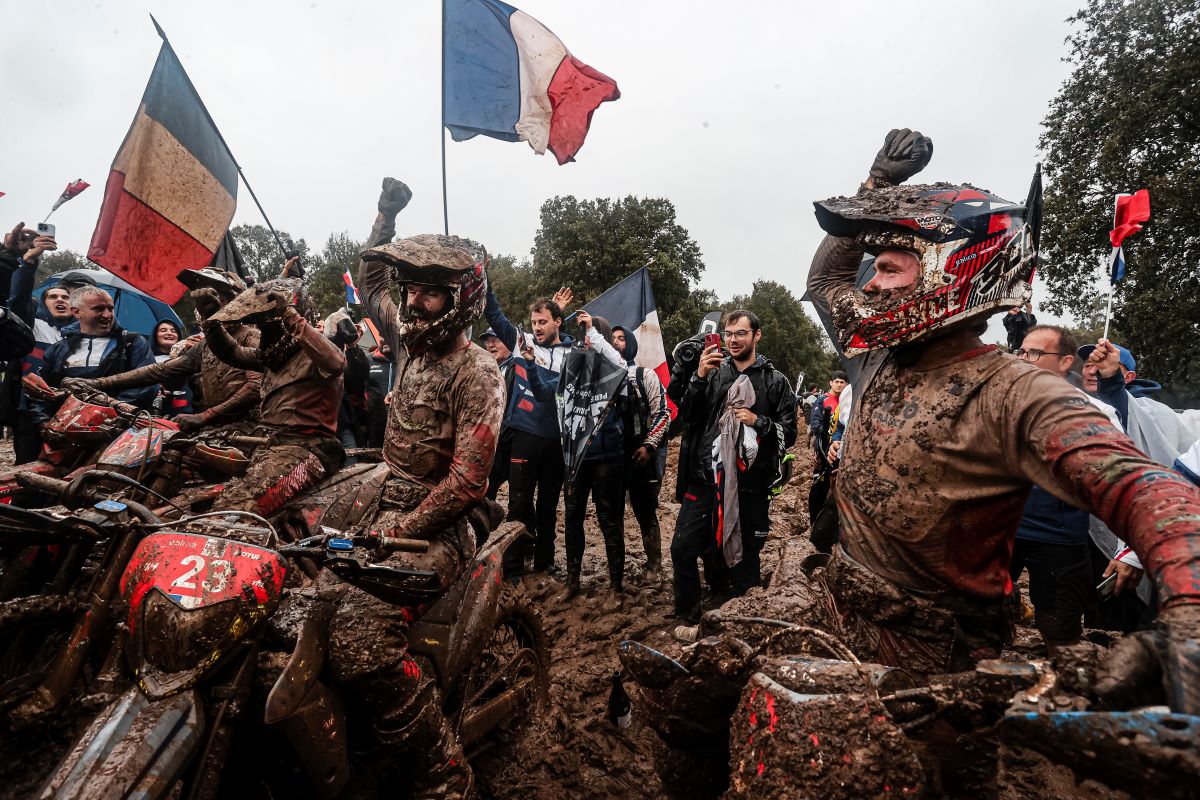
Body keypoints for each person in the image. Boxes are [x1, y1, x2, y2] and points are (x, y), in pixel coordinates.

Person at [805, 128, 1200, 716]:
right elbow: (824, 282)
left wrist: (1189, 613)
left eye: (889, 269)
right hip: (839, 615)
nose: (873, 284)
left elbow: (1146, 489)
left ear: (953, 271)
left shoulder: (1015, 393)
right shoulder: (878, 355)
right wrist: (879, 186)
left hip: (936, 659)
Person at [332, 209, 504, 797]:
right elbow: (371, 283)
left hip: (443, 523)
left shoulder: (478, 372)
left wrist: (400, 526)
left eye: (430, 292)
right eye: (412, 289)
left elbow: (467, 484)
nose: (414, 302)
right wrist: (385, 216)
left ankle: (443, 772)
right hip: (378, 496)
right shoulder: (411, 343)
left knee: (362, 641)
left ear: (460, 298)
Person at [670, 310, 797, 624]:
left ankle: (741, 621)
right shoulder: (713, 371)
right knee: (682, 548)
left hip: (750, 484)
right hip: (706, 477)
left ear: (756, 335)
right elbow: (688, 417)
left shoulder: (776, 381)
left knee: (746, 557)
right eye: (728, 334)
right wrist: (698, 377)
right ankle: (687, 617)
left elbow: (790, 433)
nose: (733, 340)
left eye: (741, 333)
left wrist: (758, 422)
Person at [201, 278, 346, 514]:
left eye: (266, 322)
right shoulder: (272, 356)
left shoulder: (316, 354)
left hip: (306, 449)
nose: (261, 330)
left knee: (236, 509)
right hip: (266, 443)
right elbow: (232, 352)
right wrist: (210, 320)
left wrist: (287, 313)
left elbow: (336, 362)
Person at [64, 269, 262, 434]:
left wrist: (205, 416)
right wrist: (98, 383)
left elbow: (255, 386)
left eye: (217, 299)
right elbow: (160, 370)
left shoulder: (251, 336)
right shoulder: (205, 345)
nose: (207, 305)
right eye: (202, 300)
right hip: (214, 427)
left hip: (249, 428)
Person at [522, 311, 630, 601]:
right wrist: (530, 363)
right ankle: (572, 581)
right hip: (575, 458)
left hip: (608, 456)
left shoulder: (615, 369)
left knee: (609, 522)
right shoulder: (573, 367)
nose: (585, 342)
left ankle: (616, 588)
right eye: (583, 338)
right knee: (572, 519)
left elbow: (619, 363)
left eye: (590, 337)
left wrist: (594, 332)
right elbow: (545, 393)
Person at [1008, 325, 1094, 650]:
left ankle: (1063, 678)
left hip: (1059, 538)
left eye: (1035, 353)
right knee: (977, 618)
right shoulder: (1001, 403)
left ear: (1065, 361)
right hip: (1003, 531)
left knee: (1058, 627)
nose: (1024, 359)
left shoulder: (1089, 410)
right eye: (1022, 352)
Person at [483, 284, 575, 579]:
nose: (536, 328)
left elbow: (556, 393)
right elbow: (494, 315)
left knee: (548, 506)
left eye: (542, 322)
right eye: (533, 322)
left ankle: (544, 562)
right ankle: (512, 569)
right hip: (523, 435)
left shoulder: (573, 353)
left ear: (558, 321)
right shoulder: (522, 342)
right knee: (519, 503)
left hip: (556, 440)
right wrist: (485, 281)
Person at [29, 286, 157, 428]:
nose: (107, 315)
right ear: (76, 312)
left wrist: (108, 415)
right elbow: (44, 391)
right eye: (98, 309)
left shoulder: (131, 343)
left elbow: (146, 385)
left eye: (110, 309)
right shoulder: (57, 349)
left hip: (119, 429)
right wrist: (43, 421)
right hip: (65, 429)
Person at [610, 323, 670, 574]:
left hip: (641, 454)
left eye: (621, 338)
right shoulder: (602, 377)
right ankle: (616, 570)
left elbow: (662, 413)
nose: (616, 342)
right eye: (612, 338)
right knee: (612, 515)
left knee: (645, 510)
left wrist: (649, 446)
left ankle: (654, 564)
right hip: (612, 455)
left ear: (631, 344)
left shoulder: (646, 376)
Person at [478, 327, 517, 506]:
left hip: (512, 440)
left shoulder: (518, 367)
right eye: (488, 341)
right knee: (487, 489)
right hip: (490, 440)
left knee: (518, 494)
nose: (491, 345)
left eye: (497, 340)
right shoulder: (484, 369)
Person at [147, 318, 193, 417]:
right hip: (152, 412)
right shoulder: (146, 358)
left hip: (184, 411)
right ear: (155, 336)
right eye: (163, 330)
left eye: (173, 331)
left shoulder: (188, 357)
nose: (169, 333)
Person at [364, 338, 395, 449]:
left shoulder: (405, 361)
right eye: (381, 336)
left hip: (398, 423)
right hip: (374, 422)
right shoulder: (368, 359)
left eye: (386, 335)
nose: (383, 339)